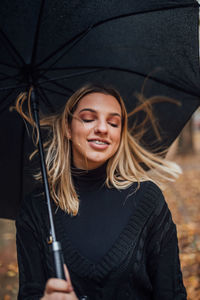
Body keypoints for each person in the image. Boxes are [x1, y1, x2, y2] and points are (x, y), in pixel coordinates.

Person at [15, 84, 187, 300]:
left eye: (113, 123)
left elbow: (172, 294)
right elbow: (29, 293)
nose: (103, 129)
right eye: (88, 118)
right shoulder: (37, 208)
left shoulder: (147, 200)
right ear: (68, 128)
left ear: (120, 134)